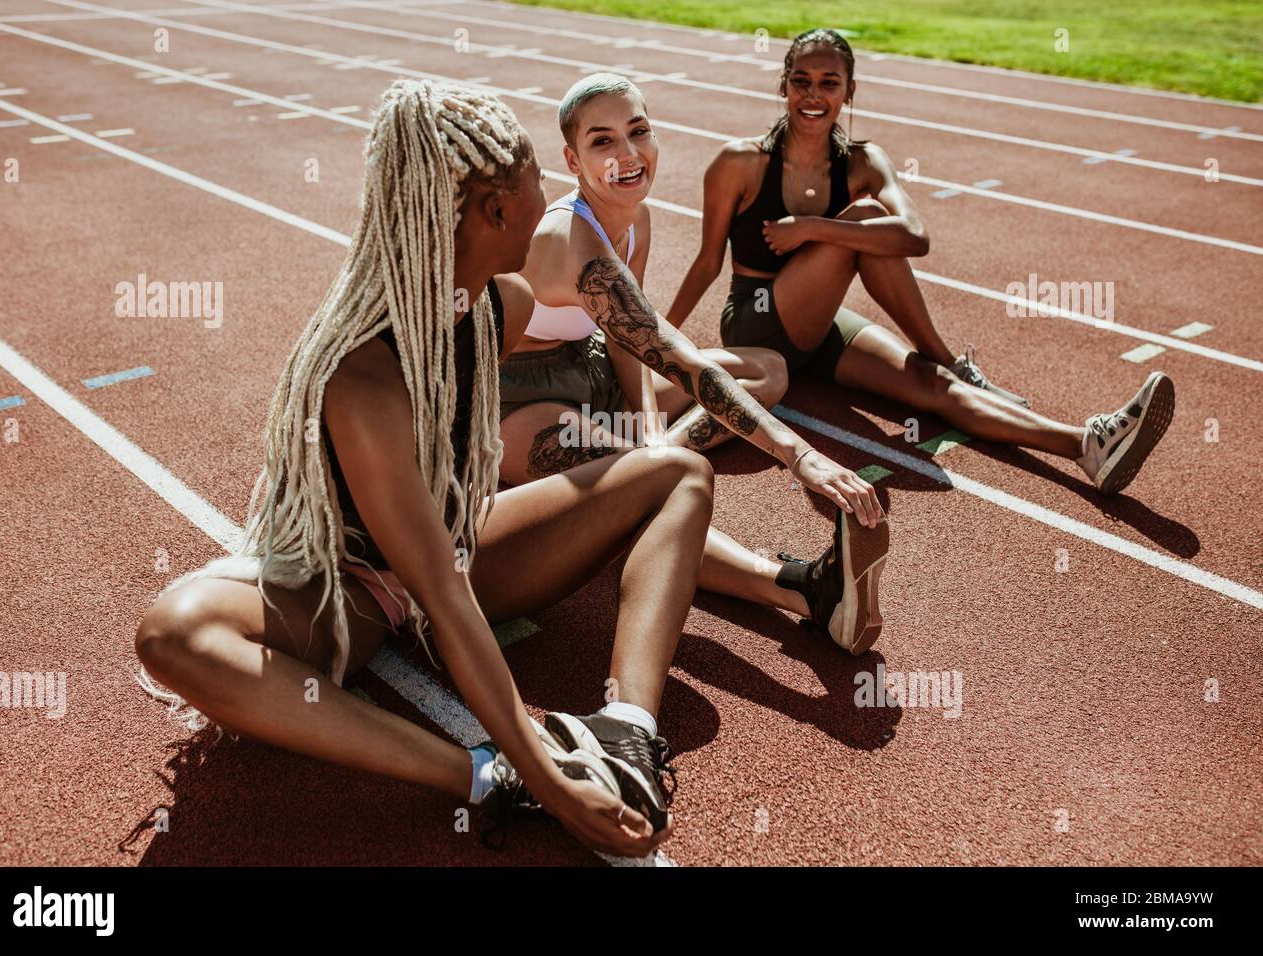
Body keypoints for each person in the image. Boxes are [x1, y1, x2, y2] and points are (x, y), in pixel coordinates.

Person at [133, 80, 721, 857]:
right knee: (173, 634)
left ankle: (629, 729)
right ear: (496, 212)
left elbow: (640, 331)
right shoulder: (362, 373)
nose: (551, 191)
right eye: (536, 179)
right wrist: (539, 772)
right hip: (355, 592)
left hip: (459, 547)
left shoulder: (494, 302)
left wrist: (789, 445)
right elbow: (438, 591)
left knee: (676, 471)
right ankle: (479, 778)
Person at [668, 29, 1175, 498]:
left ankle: (1085, 445)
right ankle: (951, 359)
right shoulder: (739, 163)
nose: (813, 96)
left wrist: (812, 228)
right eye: (800, 81)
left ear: (849, 91)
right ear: (782, 85)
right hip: (758, 325)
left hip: (821, 333)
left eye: (829, 83)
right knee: (868, 218)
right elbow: (708, 263)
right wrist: (655, 346)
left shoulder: (864, 162)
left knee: (934, 386)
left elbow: (915, 236)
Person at [499, 73, 891, 658]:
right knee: (645, 491)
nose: (628, 154)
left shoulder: (635, 218)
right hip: (519, 401)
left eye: (638, 131)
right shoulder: (567, 238)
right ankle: (806, 589)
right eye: (603, 142)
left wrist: (655, 433)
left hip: (595, 366)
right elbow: (673, 353)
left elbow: (633, 343)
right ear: (573, 160)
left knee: (767, 371)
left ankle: (659, 459)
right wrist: (798, 455)